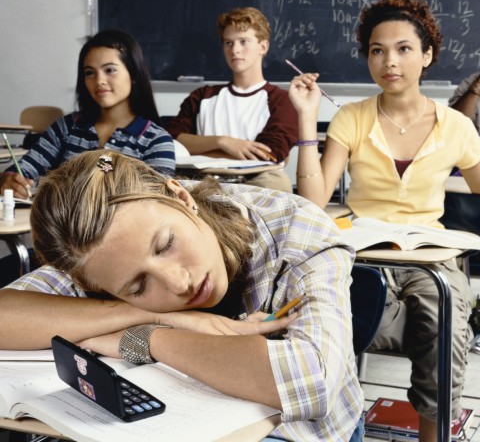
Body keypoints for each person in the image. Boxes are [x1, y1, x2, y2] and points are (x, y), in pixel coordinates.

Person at [0, 150, 364, 441]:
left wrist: (148, 338)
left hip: (298, 431)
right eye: (138, 287)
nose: (178, 283)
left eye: (166, 245)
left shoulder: (296, 227)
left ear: (181, 196)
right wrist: (150, 315)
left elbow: (313, 380)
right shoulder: (99, 255)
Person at [289, 0, 480, 442]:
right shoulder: (352, 117)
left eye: (403, 49)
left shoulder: (456, 125)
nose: (389, 61)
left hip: (428, 251)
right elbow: (314, 201)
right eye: (377, 50)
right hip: (360, 247)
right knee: (338, 308)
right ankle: (340, 424)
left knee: (443, 312)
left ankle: (435, 436)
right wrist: (306, 119)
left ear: (428, 54)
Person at [0, 29, 175, 199]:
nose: (99, 81)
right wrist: (11, 180)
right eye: (89, 72)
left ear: (134, 74)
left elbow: (158, 204)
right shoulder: (66, 127)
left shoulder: (157, 141)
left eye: (110, 70)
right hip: (60, 227)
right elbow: (25, 169)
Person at [164, 7, 298, 193]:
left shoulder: (282, 100)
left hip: (253, 184)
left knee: (277, 184)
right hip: (203, 182)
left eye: (244, 41)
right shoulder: (202, 96)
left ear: (263, 47)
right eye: (228, 42)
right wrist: (223, 142)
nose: (235, 50)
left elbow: (269, 154)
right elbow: (172, 139)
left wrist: (198, 149)